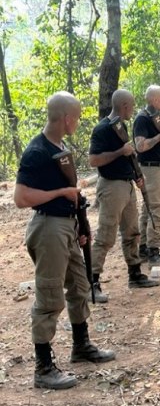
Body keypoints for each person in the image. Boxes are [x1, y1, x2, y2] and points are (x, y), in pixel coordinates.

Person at [14, 92, 116, 389]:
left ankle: (81, 346)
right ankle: (43, 368)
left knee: (80, 285)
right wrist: (60, 195)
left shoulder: (61, 146)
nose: (79, 121)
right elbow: (21, 198)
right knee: (50, 296)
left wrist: (79, 225)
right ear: (66, 118)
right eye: (78, 116)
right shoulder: (37, 151)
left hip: (68, 227)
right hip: (48, 229)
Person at [89, 89, 160, 303]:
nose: (133, 108)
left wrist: (136, 175)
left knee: (132, 232)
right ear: (124, 106)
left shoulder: (121, 125)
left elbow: (128, 154)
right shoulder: (103, 129)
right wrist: (120, 152)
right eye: (132, 104)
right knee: (106, 235)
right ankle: (91, 282)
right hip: (111, 186)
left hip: (126, 184)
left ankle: (135, 274)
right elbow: (94, 160)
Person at [133, 85, 160, 269]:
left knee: (147, 209)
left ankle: (143, 248)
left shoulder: (155, 116)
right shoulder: (142, 118)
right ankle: (153, 252)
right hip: (149, 169)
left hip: (157, 168)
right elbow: (140, 146)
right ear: (155, 99)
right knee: (156, 209)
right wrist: (159, 138)